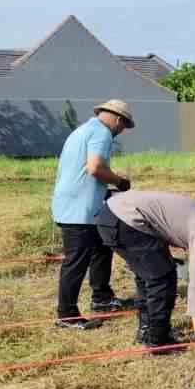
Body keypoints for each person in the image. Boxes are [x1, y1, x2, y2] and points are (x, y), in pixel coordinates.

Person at [95, 190, 195, 348]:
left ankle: (147, 331)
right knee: (162, 277)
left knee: (148, 275)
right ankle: (158, 341)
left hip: (112, 215)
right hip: (125, 220)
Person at [51, 99, 135, 330]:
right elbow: (95, 168)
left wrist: (105, 190)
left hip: (76, 203)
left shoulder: (83, 130)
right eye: (123, 127)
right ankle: (66, 315)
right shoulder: (102, 134)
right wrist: (120, 181)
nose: (121, 131)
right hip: (79, 210)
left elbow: (81, 171)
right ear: (119, 120)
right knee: (76, 261)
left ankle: (102, 297)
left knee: (102, 247)